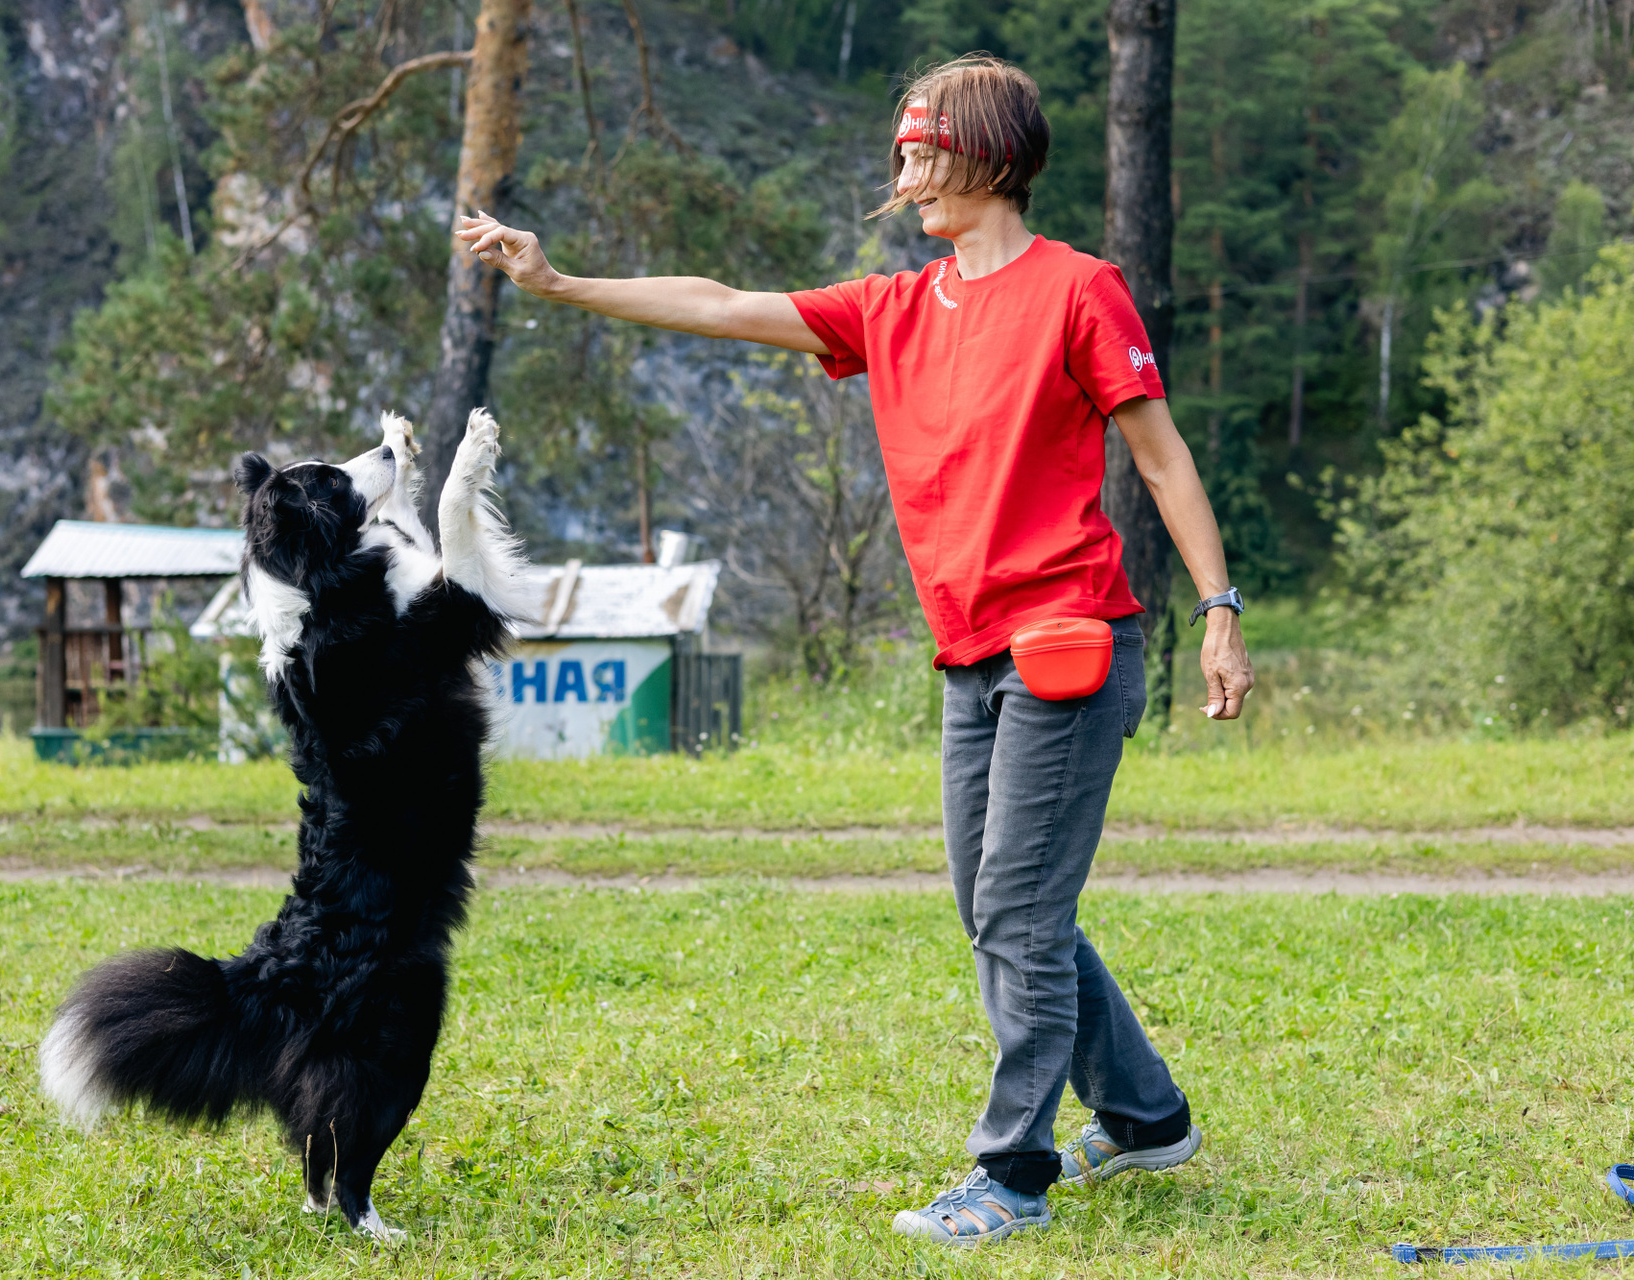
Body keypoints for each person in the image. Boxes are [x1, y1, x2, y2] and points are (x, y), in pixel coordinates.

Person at [456, 54, 1255, 1246]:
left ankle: (1013, 1173)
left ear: (988, 155)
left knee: (1017, 914)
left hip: (1068, 644)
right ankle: (1146, 1116)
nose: (907, 173)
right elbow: (722, 303)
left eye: (924, 152)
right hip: (969, 655)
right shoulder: (895, 309)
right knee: (998, 909)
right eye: (904, 153)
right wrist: (558, 280)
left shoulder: (1079, 290)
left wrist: (1219, 608)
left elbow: (1160, 454)